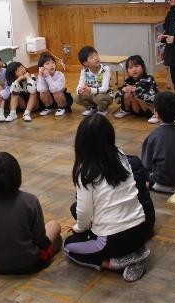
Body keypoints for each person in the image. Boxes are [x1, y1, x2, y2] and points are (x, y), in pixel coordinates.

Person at [64, 115, 154, 282]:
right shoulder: (120, 154)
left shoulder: (85, 172)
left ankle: (114, 263)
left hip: (113, 240)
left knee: (69, 246)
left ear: (81, 142)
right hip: (141, 229)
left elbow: (84, 213)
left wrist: (78, 229)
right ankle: (133, 252)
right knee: (78, 212)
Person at [0, 152, 62, 274]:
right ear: (17, 176)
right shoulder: (30, 200)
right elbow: (39, 237)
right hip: (29, 263)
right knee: (55, 226)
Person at [141, 92, 175, 192]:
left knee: (136, 173)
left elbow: (146, 164)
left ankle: (151, 185)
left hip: (161, 183)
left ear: (156, 113)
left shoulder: (154, 136)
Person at [113, 54, 159, 123]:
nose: (134, 69)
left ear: (143, 67)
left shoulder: (149, 79)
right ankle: (125, 110)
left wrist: (138, 91)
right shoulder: (128, 81)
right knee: (127, 93)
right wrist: (122, 91)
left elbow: (153, 99)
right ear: (127, 71)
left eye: (137, 66)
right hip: (135, 110)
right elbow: (117, 100)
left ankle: (155, 115)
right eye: (130, 68)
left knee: (136, 95)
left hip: (148, 110)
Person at [75, 45, 112, 116]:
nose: (96, 58)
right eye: (91, 57)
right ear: (85, 63)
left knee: (98, 98)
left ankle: (103, 109)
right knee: (77, 97)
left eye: (96, 55)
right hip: (92, 94)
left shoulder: (105, 69)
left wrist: (90, 90)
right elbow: (80, 85)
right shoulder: (84, 71)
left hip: (105, 95)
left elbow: (105, 88)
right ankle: (92, 108)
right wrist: (80, 90)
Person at [36, 52, 71, 117]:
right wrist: (40, 75)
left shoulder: (59, 74)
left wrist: (48, 77)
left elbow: (55, 90)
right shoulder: (42, 76)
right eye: (47, 64)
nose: (51, 65)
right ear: (42, 67)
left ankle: (61, 108)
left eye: (53, 63)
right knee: (42, 93)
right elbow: (40, 89)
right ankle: (48, 107)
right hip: (50, 99)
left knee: (56, 92)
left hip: (61, 98)